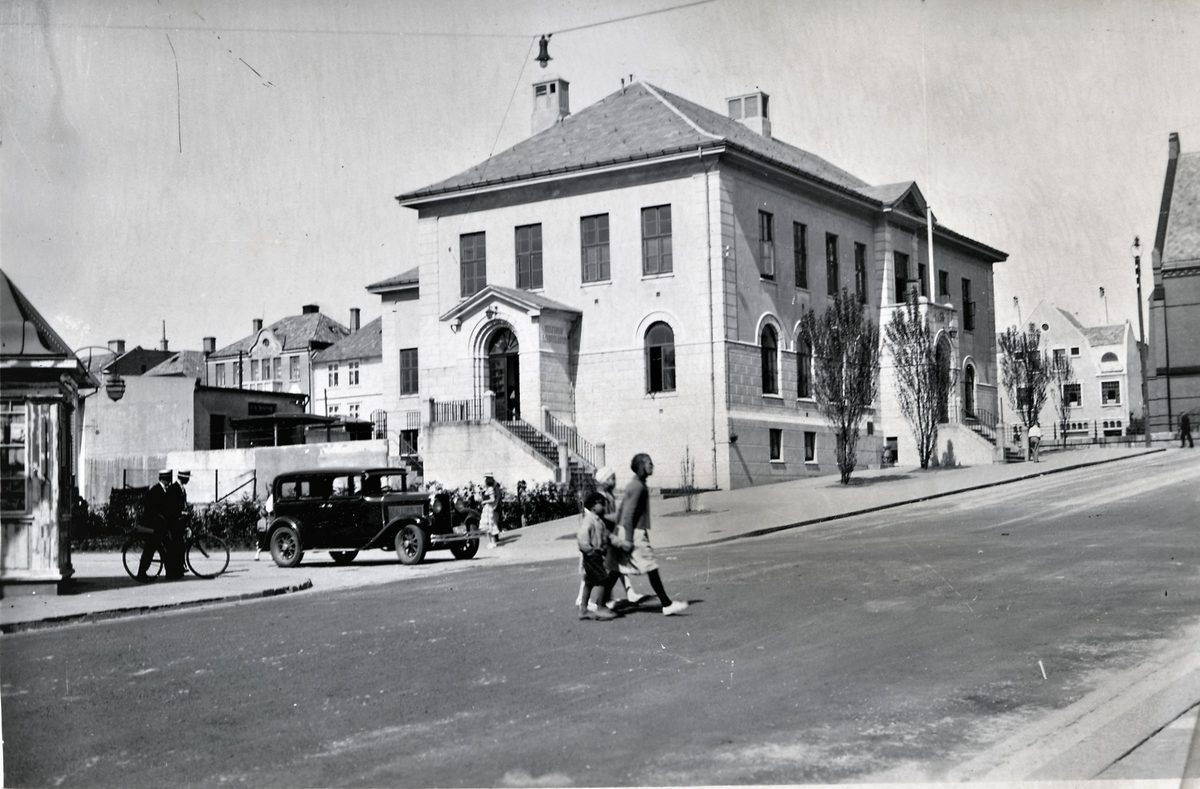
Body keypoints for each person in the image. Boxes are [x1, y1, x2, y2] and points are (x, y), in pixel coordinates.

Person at [618, 453, 688, 616]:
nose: (652, 465)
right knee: (650, 566)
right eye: (649, 463)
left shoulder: (636, 484)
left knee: (617, 568)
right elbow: (628, 514)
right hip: (634, 533)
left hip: (631, 531)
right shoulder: (638, 487)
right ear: (641, 466)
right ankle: (666, 604)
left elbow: (622, 509)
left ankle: (600, 603)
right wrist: (628, 539)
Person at [575, 466, 643, 611]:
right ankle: (586, 598)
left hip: (607, 538)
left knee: (613, 567)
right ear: (605, 481)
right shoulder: (600, 498)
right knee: (598, 571)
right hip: (598, 541)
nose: (615, 480)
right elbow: (599, 518)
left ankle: (619, 595)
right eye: (612, 478)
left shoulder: (609, 496)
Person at [576, 491, 617, 621]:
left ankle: (583, 610)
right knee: (605, 580)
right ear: (593, 506)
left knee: (589, 582)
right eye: (602, 505)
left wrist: (616, 542)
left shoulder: (599, 521)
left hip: (596, 554)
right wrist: (589, 551)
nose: (604, 508)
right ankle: (600, 607)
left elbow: (606, 536)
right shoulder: (589, 520)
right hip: (592, 555)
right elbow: (582, 537)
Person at [137, 470, 173, 581]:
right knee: (150, 550)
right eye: (168, 479)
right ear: (164, 479)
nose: (169, 481)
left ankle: (169, 573)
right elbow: (149, 509)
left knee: (166, 548)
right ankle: (141, 573)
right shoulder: (155, 490)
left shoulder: (164, 490)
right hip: (152, 526)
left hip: (160, 526)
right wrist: (158, 517)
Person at [165, 470, 192, 577]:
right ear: (183, 478)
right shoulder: (173, 488)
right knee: (174, 546)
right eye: (187, 478)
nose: (189, 480)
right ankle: (172, 571)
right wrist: (181, 512)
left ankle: (178, 569)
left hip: (180, 521)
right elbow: (170, 506)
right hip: (173, 522)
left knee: (180, 545)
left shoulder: (182, 489)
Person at [480, 473, 500, 548]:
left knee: (491, 524)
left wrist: (485, 502)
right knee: (487, 525)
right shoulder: (487, 489)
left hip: (489, 508)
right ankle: (490, 541)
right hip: (486, 508)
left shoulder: (491, 488)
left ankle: (493, 541)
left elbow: (493, 499)